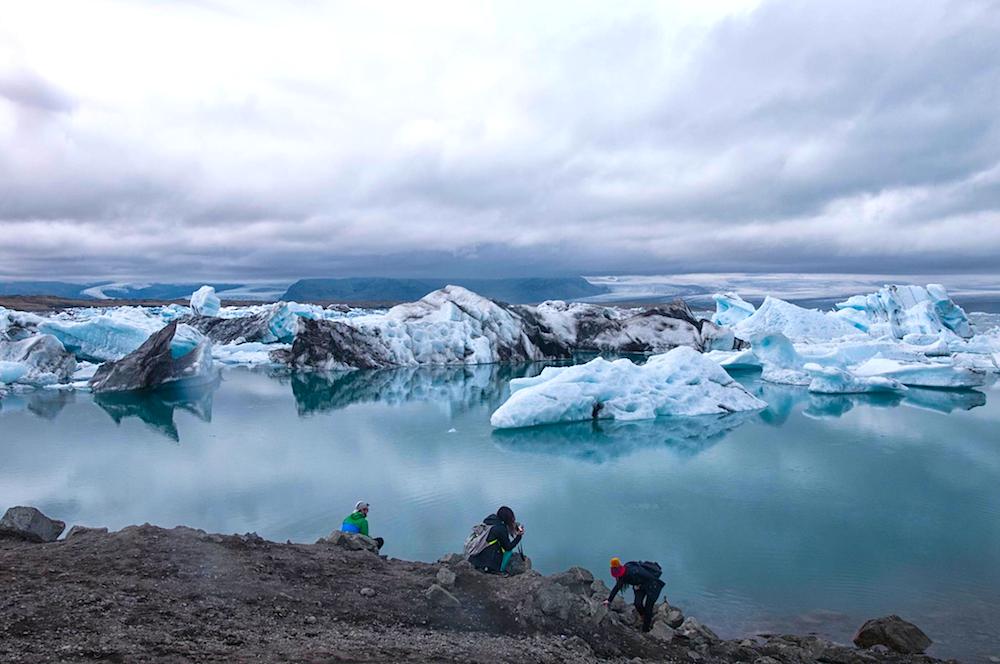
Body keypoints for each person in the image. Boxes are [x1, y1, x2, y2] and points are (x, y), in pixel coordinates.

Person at [603, 557, 665, 632]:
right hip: (639, 585)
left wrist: (640, 585)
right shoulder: (622, 576)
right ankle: (643, 616)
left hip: (652, 585)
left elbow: (650, 578)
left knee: (649, 607)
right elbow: (617, 587)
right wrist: (609, 600)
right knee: (637, 603)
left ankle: (646, 629)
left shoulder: (634, 571)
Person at [467, 505, 524, 574]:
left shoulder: (490, 520)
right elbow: (508, 547)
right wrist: (519, 536)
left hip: (475, 556)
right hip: (485, 562)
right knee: (508, 552)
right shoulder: (500, 529)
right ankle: (498, 569)